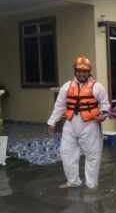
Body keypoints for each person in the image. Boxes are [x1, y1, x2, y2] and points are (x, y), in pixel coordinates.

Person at [47, 56, 110, 190]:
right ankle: (73, 181)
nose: (82, 74)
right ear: (75, 71)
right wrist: (52, 122)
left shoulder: (97, 86)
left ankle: (92, 184)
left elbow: (105, 105)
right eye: (79, 71)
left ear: (89, 72)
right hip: (70, 125)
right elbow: (59, 106)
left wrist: (103, 115)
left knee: (92, 155)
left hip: (90, 125)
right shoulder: (67, 86)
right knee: (66, 153)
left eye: (85, 71)